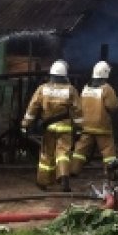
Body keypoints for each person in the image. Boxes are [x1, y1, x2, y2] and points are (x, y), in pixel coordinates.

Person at [21, 60, 84, 191]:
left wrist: (25, 124)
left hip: (48, 127)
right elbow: (77, 111)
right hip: (65, 127)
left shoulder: (42, 89)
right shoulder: (70, 90)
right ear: (65, 75)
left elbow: (32, 108)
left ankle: (42, 182)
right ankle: (63, 177)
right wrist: (79, 128)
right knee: (63, 153)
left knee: (46, 154)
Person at [71, 60, 118, 177]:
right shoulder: (106, 89)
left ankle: (73, 170)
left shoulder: (86, 88)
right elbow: (112, 106)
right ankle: (111, 173)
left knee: (80, 150)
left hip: (86, 125)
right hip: (102, 126)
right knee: (108, 151)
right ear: (106, 73)